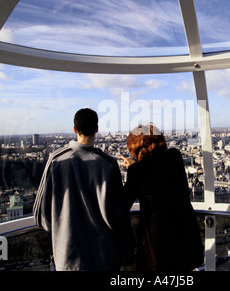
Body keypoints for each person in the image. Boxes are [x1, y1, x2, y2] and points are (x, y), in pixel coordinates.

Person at [33, 108, 130, 271]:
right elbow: (119, 216)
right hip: (105, 256)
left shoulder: (56, 161)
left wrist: (61, 228)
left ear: (74, 129)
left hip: (68, 256)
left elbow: (40, 215)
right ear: (97, 129)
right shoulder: (108, 164)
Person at [120, 123, 204, 271]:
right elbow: (156, 167)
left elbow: (122, 204)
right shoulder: (175, 156)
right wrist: (136, 165)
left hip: (157, 243)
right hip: (185, 235)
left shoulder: (137, 172)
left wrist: (133, 167)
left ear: (136, 148)